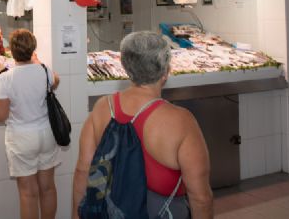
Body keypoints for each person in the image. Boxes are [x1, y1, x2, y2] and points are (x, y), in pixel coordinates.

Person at [72, 31, 213, 219]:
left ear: (125, 67)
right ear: (166, 71)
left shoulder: (102, 108)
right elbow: (200, 197)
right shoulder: (181, 121)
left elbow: (83, 171)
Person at [0, 29, 60, 219]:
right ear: (33, 49)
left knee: (28, 193)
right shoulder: (44, 70)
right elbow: (56, 81)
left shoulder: (6, 78)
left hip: (22, 139)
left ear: (11, 51)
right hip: (47, 135)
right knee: (48, 188)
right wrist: (37, 62)